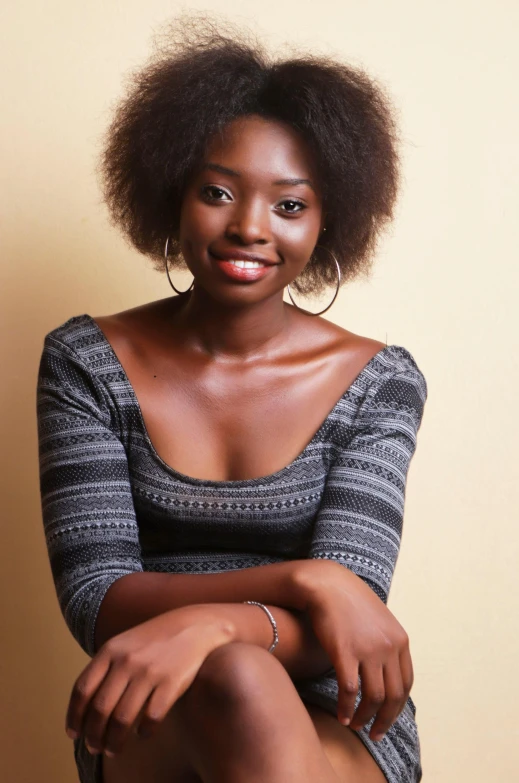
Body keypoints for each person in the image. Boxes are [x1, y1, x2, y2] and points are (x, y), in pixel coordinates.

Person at [36, 16, 427, 783]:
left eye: (290, 205)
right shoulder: (86, 362)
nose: (249, 227)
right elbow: (96, 599)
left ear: (328, 220)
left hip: (334, 711)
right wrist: (301, 577)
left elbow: (353, 623)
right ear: (173, 193)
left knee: (247, 675)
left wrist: (213, 622)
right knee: (236, 678)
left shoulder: (377, 382)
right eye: (218, 191)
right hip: (153, 706)